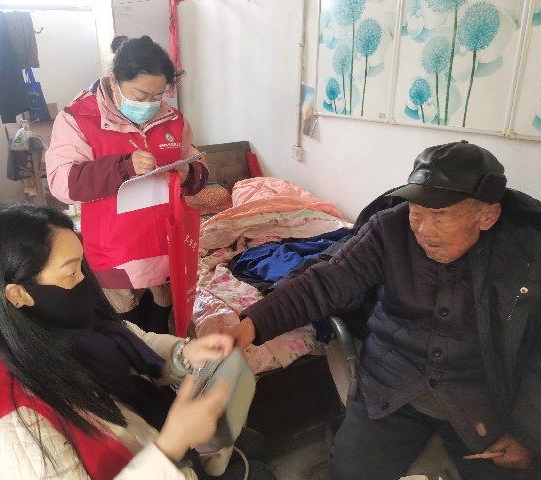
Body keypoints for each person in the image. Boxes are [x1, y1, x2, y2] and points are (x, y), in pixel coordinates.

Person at [230, 141, 541, 479]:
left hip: (483, 399)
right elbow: (326, 281)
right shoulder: (389, 228)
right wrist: (248, 326)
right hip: (392, 384)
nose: (423, 230)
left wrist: (528, 432)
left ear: (487, 216)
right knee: (348, 473)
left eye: (440, 216)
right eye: (416, 212)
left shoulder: (526, 250)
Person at [0, 204, 275, 480]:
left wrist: (182, 353)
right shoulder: (5, 432)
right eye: (71, 273)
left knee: (255, 445)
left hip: (146, 438)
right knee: (258, 471)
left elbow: (124, 336)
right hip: (155, 458)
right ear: (17, 293)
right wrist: (172, 446)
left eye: (82, 266)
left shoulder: (38, 319)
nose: (84, 282)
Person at [46, 36, 208, 334]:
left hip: (167, 249)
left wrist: (189, 173)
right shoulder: (78, 118)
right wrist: (123, 167)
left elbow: (198, 165)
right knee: (128, 334)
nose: (150, 104)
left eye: (158, 95)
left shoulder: (172, 119)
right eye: (141, 95)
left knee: (163, 329)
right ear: (114, 80)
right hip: (117, 253)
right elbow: (62, 184)